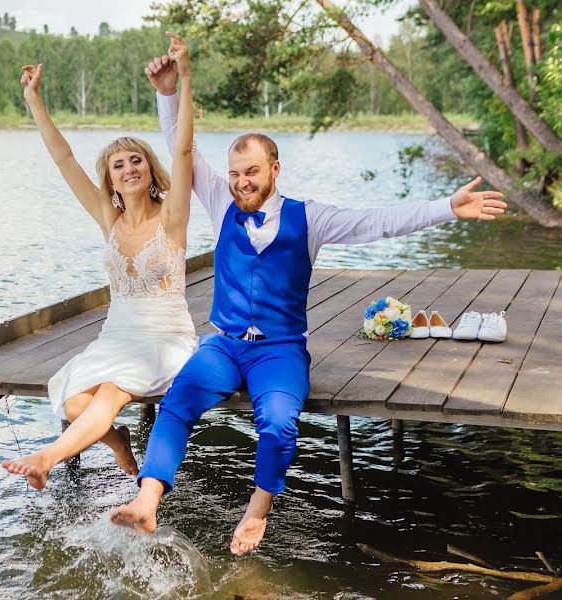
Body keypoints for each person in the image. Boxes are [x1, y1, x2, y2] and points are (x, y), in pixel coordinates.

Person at [111, 51, 508, 555]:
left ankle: (257, 511)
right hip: (225, 345)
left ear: (274, 168)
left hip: (279, 350)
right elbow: (180, 148)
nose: (241, 182)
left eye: (251, 171)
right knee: (176, 402)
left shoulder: (310, 218)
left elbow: (378, 222)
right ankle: (147, 500)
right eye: (235, 173)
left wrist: (447, 207)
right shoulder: (219, 202)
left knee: (277, 423)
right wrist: (167, 94)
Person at [1, 33, 198, 490]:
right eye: (118, 165)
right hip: (118, 335)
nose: (129, 169)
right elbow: (63, 157)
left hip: (164, 337)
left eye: (136, 161)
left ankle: (45, 458)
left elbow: (184, 150)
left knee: (109, 393)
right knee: (74, 404)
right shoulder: (107, 217)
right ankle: (117, 442)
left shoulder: (172, 216)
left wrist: (185, 77)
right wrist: (34, 100)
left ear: (149, 168)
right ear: (109, 178)